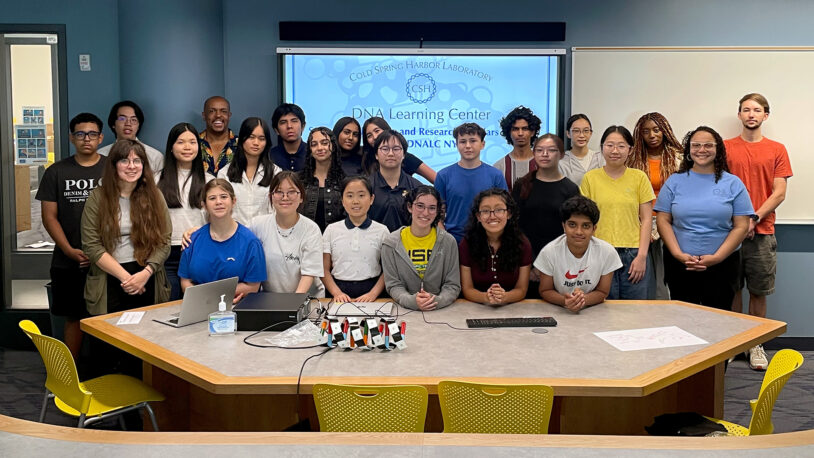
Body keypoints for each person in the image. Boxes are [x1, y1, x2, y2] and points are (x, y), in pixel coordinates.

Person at [725, 93, 793, 370]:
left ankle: (755, 344)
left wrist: (753, 218)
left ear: (765, 115)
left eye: (757, 110)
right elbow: (718, 188)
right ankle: (734, 343)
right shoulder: (725, 148)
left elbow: (779, 193)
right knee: (731, 289)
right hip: (728, 232)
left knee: (758, 291)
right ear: (739, 115)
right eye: (746, 110)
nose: (751, 114)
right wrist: (740, 222)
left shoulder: (777, 149)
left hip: (762, 232)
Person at [655, 126, 752, 312]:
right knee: (683, 319)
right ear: (688, 150)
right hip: (680, 265)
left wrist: (717, 257)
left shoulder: (733, 183)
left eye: (708, 145)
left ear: (718, 149)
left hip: (723, 266)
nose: (702, 150)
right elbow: (663, 220)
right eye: (696, 145)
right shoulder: (674, 181)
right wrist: (677, 254)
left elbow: (741, 226)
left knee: (717, 320)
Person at [36, 113, 106, 358]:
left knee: (106, 320)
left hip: (107, 260)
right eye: (80, 134)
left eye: (92, 134)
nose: (86, 139)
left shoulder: (111, 168)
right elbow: (49, 217)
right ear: (71, 137)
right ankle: (72, 375)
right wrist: (68, 250)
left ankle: (104, 374)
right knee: (74, 318)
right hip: (68, 260)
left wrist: (102, 253)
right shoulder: (56, 171)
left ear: (101, 137)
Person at [81, 139, 171, 316]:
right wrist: (126, 279)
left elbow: (164, 240)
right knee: (109, 339)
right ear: (114, 165)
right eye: (125, 160)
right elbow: (91, 245)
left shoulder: (155, 195)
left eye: (137, 161)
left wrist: (145, 274)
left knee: (147, 337)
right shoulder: (98, 197)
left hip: (147, 276)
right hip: (110, 277)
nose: (131, 166)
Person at [580, 126, 655, 300]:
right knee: (603, 310)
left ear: (630, 149)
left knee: (634, 314)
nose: (615, 151)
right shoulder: (590, 178)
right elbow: (584, 220)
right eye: (610, 145)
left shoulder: (639, 177)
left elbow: (646, 219)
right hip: (599, 253)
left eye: (621, 146)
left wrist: (642, 256)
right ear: (602, 148)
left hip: (634, 253)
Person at [512, 134, 580, 297]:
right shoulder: (522, 185)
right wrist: (532, 264)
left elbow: (572, 230)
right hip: (525, 261)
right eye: (540, 150)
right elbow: (514, 226)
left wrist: (547, 265)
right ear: (534, 153)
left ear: (561, 154)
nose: (545, 154)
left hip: (560, 262)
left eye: (551, 150)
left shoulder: (570, 189)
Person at [179, 179, 266, 303]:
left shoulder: (250, 242)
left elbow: (253, 286)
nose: (218, 202)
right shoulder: (192, 239)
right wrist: (205, 299)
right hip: (198, 305)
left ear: (233, 201)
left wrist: (212, 295)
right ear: (204, 205)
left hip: (236, 307)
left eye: (224, 197)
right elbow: (185, 281)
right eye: (212, 198)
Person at [628, 112, 683, 300]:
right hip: (641, 222)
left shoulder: (679, 159)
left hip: (671, 222)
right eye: (646, 131)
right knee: (647, 272)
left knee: (668, 273)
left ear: (665, 131)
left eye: (656, 130)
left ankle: (668, 307)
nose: (652, 135)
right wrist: (644, 226)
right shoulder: (632, 160)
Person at [535, 196, 622, 312]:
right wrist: (565, 301)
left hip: (592, 310)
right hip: (558, 310)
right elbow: (545, 290)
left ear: (594, 228)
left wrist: (583, 299)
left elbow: (603, 292)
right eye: (572, 225)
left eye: (586, 226)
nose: (578, 232)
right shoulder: (549, 252)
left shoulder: (607, 252)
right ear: (563, 226)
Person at [381, 186, 460, 311]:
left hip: (441, 310)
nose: (425, 213)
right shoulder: (391, 243)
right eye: (420, 206)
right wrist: (411, 301)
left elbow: (452, 285)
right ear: (409, 207)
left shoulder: (448, 242)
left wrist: (436, 301)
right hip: (404, 310)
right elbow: (393, 285)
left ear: (438, 211)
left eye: (432, 208)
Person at [249, 171, 325, 297]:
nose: (285, 197)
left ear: (301, 197)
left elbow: (309, 273)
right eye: (279, 192)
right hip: (269, 298)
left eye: (292, 192)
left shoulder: (311, 229)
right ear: (271, 197)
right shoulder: (257, 225)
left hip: (308, 299)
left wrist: (292, 304)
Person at [156, 123, 209, 300]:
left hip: (198, 251)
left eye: (192, 142)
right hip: (166, 254)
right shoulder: (156, 179)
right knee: (168, 305)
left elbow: (218, 219)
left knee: (197, 306)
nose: (187, 147)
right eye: (181, 142)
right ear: (171, 146)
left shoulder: (210, 180)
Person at [434, 122, 508, 242]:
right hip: (453, 241)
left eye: (473, 141)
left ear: (482, 144)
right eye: (463, 141)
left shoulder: (496, 175)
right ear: (456, 144)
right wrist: (445, 239)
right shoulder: (443, 176)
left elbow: (504, 210)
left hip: (487, 240)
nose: (468, 146)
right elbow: (436, 213)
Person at [322, 176, 390, 301]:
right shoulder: (331, 230)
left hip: (373, 293)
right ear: (342, 200)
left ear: (371, 199)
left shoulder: (382, 231)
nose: (355, 201)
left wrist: (373, 294)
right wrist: (337, 293)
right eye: (349, 196)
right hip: (338, 292)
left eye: (361, 195)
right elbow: (323, 268)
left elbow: (389, 269)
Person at [459, 189, 532, 305]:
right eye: (486, 211)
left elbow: (521, 289)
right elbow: (467, 289)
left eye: (499, 210)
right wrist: (485, 297)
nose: (492, 216)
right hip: (475, 307)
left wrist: (505, 297)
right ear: (478, 216)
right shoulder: (467, 243)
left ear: (509, 213)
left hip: (512, 307)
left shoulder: (522, 243)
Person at [218, 117, 280, 226]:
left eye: (261, 138)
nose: (256, 143)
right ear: (242, 139)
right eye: (251, 137)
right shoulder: (225, 173)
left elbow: (277, 210)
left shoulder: (275, 172)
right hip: (234, 236)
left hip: (265, 236)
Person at [368, 130, 423, 232]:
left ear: (403, 155)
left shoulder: (417, 188)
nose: (390, 153)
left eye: (396, 149)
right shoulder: (366, 186)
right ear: (376, 154)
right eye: (385, 149)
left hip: (408, 245)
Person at [362, 117, 436, 182]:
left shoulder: (406, 157)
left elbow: (437, 179)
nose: (374, 137)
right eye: (369, 136)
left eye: (377, 131)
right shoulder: (365, 159)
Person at [299, 126, 345, 232]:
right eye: (314, 144)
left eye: (324, 143)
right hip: (304, 239)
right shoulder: (299, 180)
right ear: (310, 149)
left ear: (333, 146)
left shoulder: (344, 181)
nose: (319, 148)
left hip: (336, 240)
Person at [97, 100, 164, 173]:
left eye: (134, 120)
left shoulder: (154, 156)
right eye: (122, 119)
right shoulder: (101, 155)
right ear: (113, 124)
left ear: (139, 125)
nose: (128, 123)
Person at [492, 106, 541, 191]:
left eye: (525, 129)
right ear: (509, 133)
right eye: (515, 129)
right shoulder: (499, 167)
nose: (520, 133)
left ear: (532, 132)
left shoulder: (543, 164)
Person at [559, 114, 604, 185]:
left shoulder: (600, 158)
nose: (581, 135)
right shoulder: (561, 162)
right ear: (568, 133)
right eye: (576, 131)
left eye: (586, 131)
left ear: (590, 133)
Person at [199, 96, 237, 176]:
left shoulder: (241, 145)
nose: (218, 115)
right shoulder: (193, 143)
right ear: (204, 115)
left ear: (229, 115)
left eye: (223, 111)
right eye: (212, 111)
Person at [269, 103, 307, 172]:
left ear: (303, 126)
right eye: (283, 122)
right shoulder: (269, 157)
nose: (289, 126)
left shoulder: (313, 154)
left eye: (294, 121)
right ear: (276, 130)